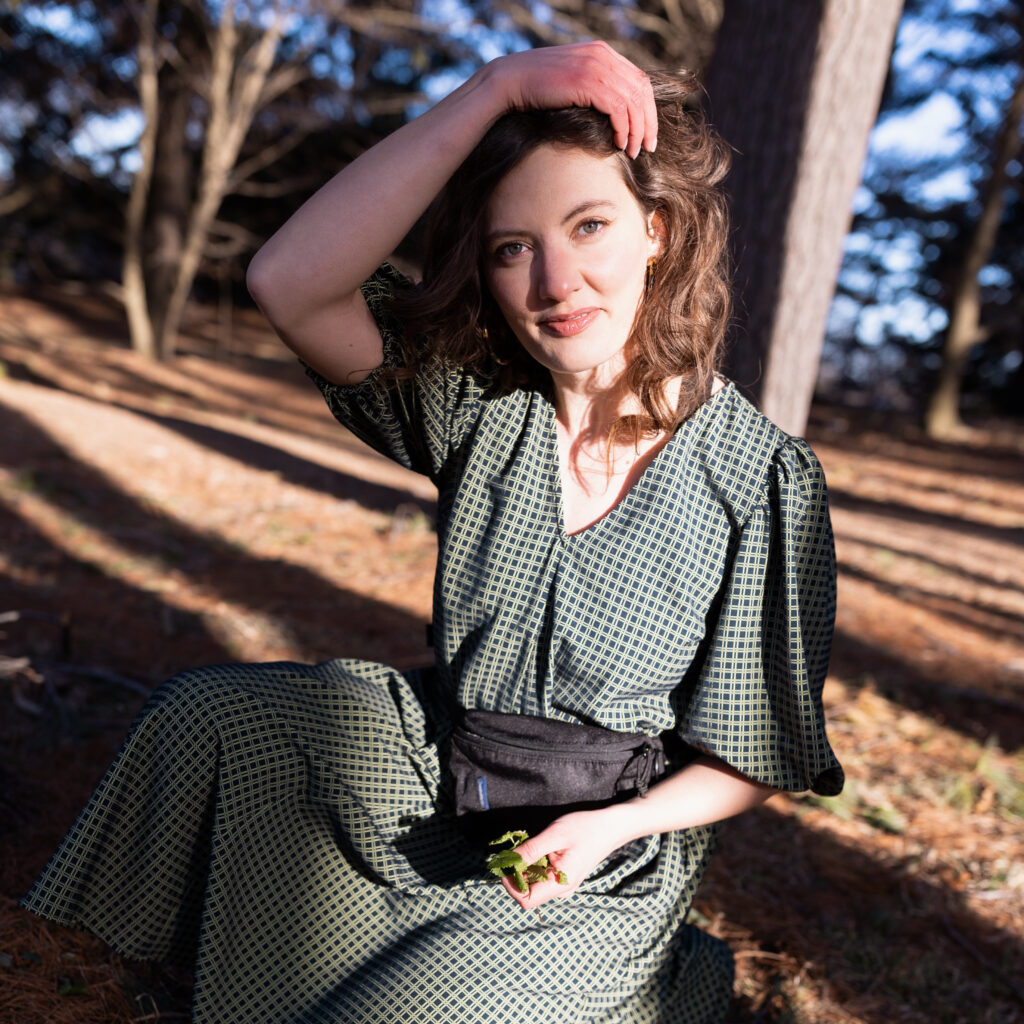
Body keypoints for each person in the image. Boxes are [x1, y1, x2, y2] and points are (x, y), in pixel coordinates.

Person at [20, 41, 843, 1023]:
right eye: (512, 247)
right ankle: (79, 981)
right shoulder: (479, 403)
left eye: (589, 226)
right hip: (431, 770)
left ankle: (672, 983)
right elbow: (288, 280)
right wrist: (493, 88)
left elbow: (750, 756)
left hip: (599, 856)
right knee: (213, 716)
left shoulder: (760, 478)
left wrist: (612, 828)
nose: (555, 279)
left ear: (656, 232)